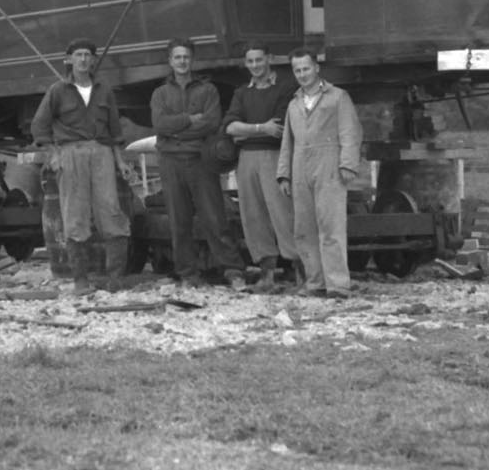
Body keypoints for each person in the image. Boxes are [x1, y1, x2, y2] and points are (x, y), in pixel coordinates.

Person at [31, 38, 145, 295]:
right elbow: (39, 126)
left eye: (87, 55)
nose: (83, 60)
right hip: (70, 154)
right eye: (78, 55)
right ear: (69, 60)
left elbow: (115, 131)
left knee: (112, 212)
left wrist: (120, 163)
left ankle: (116, 278)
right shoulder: (57, 91)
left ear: (93, 60)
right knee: (75, 216)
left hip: (102, 154)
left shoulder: (105, 91)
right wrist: (54, 154)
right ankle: (80, 280)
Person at [149, 38, 245, 289]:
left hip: (200, 161)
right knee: (178, 221)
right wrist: (189, 120)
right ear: (170, 61)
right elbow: (159, 125)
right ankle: (188, 273)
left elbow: (212, 122)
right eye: (177, 57)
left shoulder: (208, 90)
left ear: (192, 60)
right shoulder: (160, 93)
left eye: (186, 57)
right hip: (171, 162)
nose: (182, 61)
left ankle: (233, 270)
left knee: (214, 217)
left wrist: (176, 130)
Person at [276, 47, 364, 299]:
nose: (302, 74)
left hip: (329, 165)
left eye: (306, 68)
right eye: (297, 70)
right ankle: (315, 282)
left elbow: (350, 131)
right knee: (304, 229)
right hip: (300, 165)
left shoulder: (338, 97)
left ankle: (337, 284)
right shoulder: (293, 104)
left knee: (331, 226)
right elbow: (287, 141)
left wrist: (348, 164)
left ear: (316, 68)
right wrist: (284, 174)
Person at [221, 43, 298, 290]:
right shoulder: (242, 93)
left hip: (275, 157)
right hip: (247, 159)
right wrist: (259, 128)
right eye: (250, 62)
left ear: (269, 59)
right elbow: (230, 127)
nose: (255, 66)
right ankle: (267, 275)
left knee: (283, 213)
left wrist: (248, 131)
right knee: (253, 215)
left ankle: (301, 271)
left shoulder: (285, 88)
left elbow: (279, 129)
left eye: (259, 60)